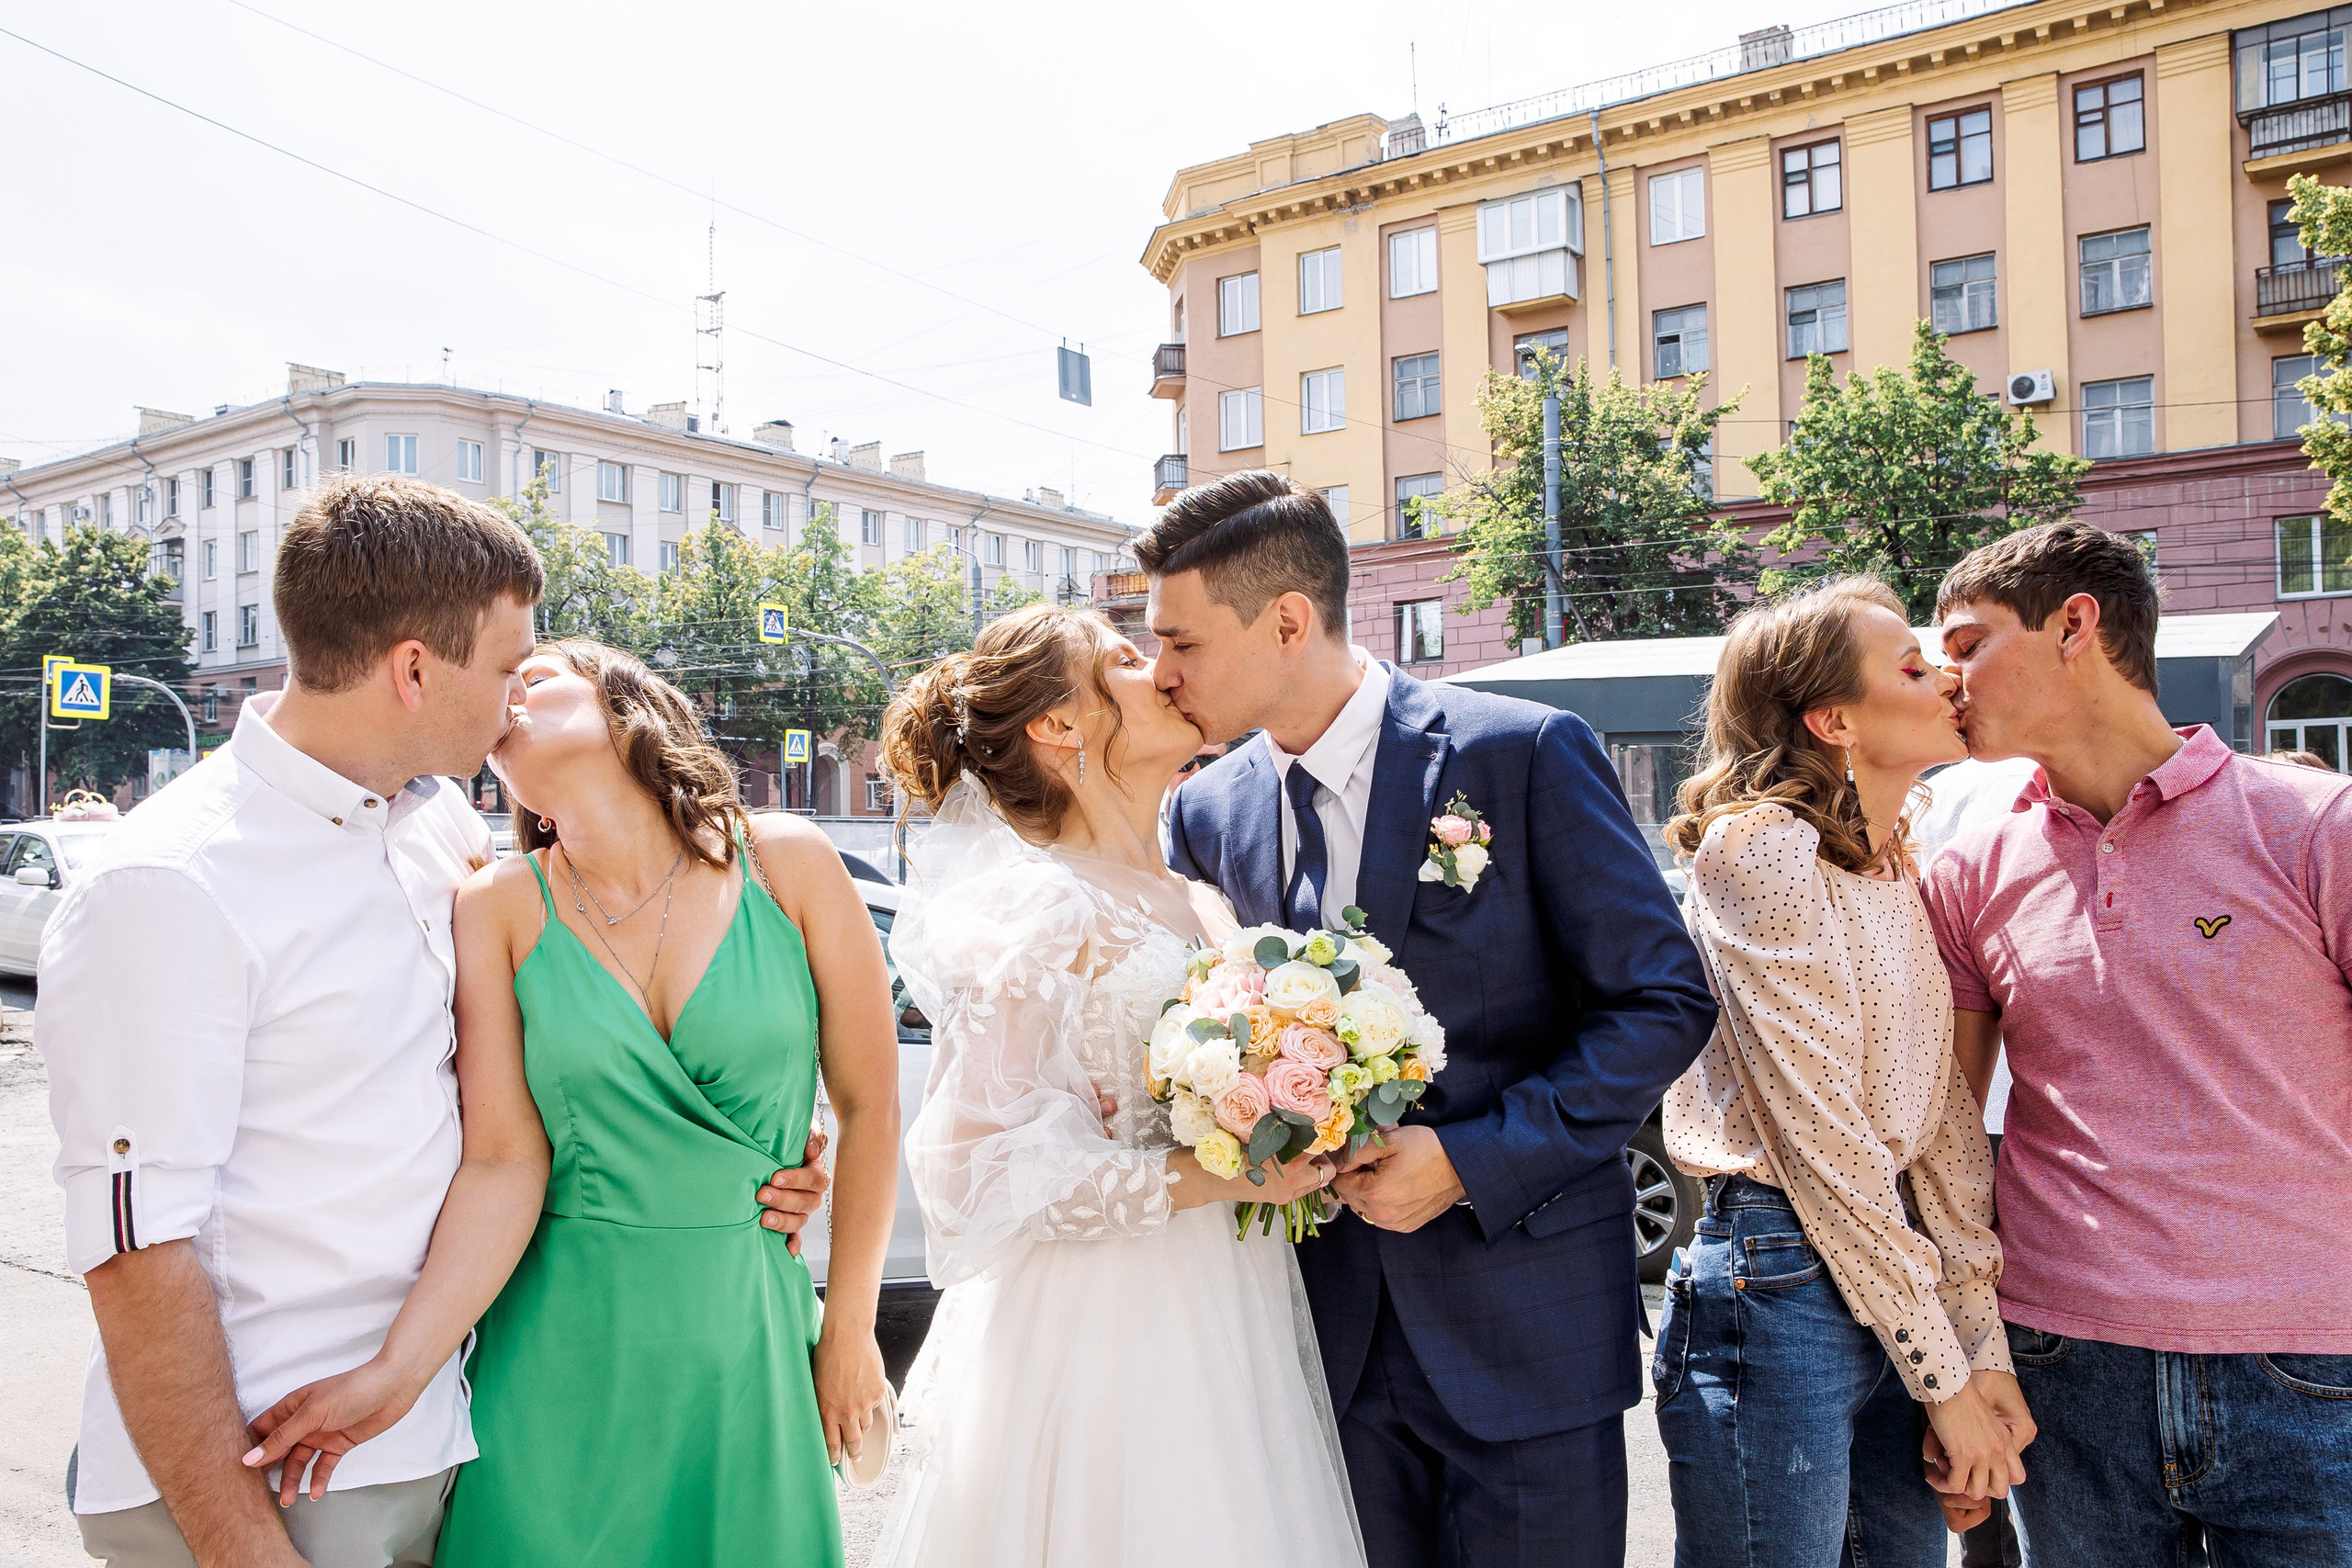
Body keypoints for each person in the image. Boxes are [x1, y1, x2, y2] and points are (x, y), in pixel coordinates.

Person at [39, 475, 828, 1568]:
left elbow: (528, 1104)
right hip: (271, 1470)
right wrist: (244, 1548)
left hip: (429, 1435)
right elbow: (135, 1251)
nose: (514, 701)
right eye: (508, 667)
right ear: (415, 667)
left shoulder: (437, 827)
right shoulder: (169, 881)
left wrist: (750, 1144)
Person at [1150, 472, 1719, 1566]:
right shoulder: (1204, 811)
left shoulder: (1520, 752)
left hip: (1523, 1324)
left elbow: (1661, 999)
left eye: (1180, 641)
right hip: (1313, 1347)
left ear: (1285, 620)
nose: (1159, 674)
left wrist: (1472, 1161)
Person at [241, 638, 897, 1567]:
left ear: (626, 703)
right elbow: (503, 1155)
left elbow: (869, 1105)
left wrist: (852, 1331)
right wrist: (396, 1373)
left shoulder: (788, 861)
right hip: (556, 1355)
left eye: (536, 677)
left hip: (746, 1345)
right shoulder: (497, 905)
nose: (507, 695)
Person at [872, 603, 1359, 1567]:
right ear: (1059, 726)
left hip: (1226, 1296)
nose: (1167, 670)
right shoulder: (1039, 904)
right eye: (1129, 659)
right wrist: (1213, 1177)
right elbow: (969, 1169)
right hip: (1097, 1325)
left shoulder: (1200, 899)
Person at [1923, 520, 2352, 1567]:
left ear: (2076, 624)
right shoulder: (1970, 866)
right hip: (2064, 1365)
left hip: (2308, 1361)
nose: (1946, 679)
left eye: (1969, 644)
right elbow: (1941, 1136)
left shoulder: (2311, 824)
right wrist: (1960, 1366)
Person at [1653, 576, 2033, 1565]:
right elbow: (1821, 1139)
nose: (1946, 675)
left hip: (1876, 1267)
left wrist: (1976, 1350)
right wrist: (1945, 1386)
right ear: (1833, 721)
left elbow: (1941, 1120)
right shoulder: (1759, 851)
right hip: (1776, 1282)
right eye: (1911, 666)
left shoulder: (1888, 864)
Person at [1905, 750, 2038, 1568]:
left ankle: (1985, 1536)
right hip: (1999, 1128)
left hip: (1962, 1122)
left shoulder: (1932, 796)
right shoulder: (2003, 796)